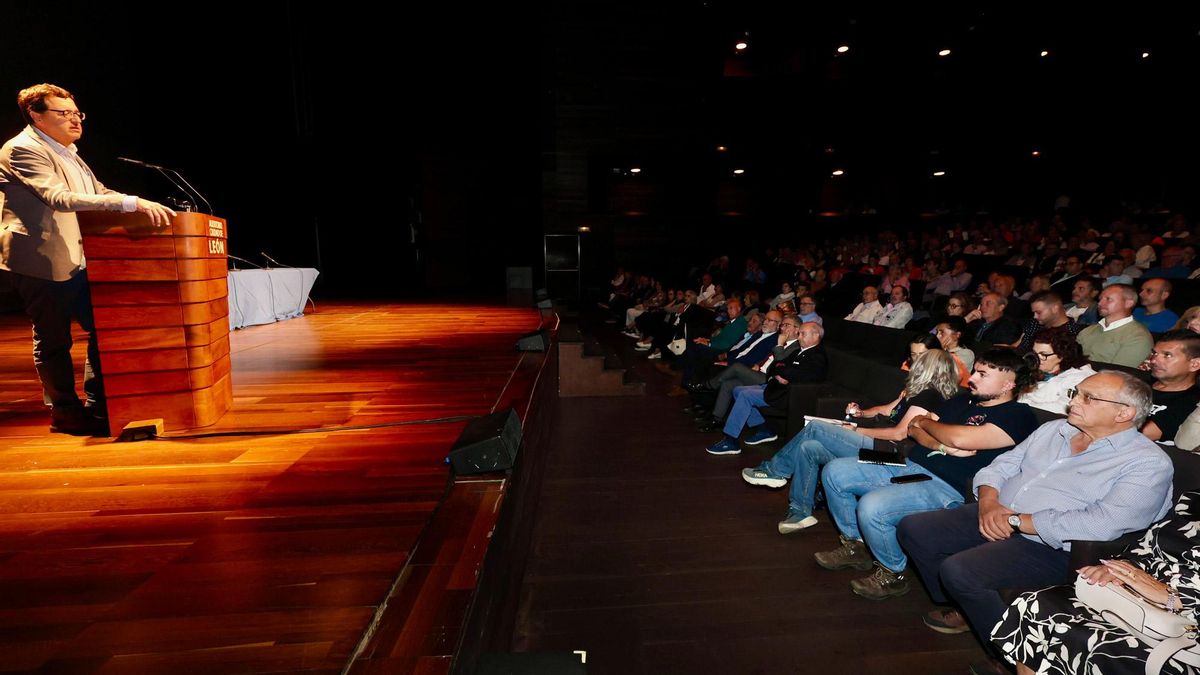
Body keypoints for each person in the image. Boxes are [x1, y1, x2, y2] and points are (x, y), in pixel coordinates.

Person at [896, 372, 1172, 671]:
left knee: (960, 571)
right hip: (998, 510)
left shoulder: (1147, 463)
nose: (1073, 403)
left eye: (1087, 397)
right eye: (1075, 393)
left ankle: (1017, 656)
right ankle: (966, 604)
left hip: (1059, 546)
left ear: (1124, 413)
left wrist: (1017, 521)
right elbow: (1000, 466)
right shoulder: (1055, 430)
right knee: (915, 529)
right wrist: (988, 502)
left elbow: (1103, 524)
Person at [0, 83, 175, 435]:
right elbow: (60, 198)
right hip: (39, 258)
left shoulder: (69, 152)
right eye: (63, 113)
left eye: (76, 113)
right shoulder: (21, 149)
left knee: (104, 327)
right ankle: (64, 410)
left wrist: (138, 202)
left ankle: (98, 405)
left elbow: (98, 193)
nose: (75, 120)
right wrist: (130, 205)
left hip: (78, 256)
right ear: (36, 115)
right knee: (53, 339)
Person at [813, 350, 1040, 600]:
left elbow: (959, 437)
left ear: (1009, 383)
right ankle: (856, 545)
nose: (972, 378)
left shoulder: (1019, 415)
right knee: (836, 471)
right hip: (906, 462)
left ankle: (893, 573)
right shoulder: (961, 401)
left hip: (945, 485)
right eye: (974, 370)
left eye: (982, 374)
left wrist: (929, 425)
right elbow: (913, 427)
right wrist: (938, 444)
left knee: (873, 506)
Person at [742, 349, 960, 532]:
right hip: (877, 444)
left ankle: (776, 470)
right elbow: (885, 409)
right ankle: (800, 512)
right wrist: (861, 413)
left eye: (918, 362)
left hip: (888, 454)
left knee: (817, 428)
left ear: (928, 368)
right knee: (809, 447)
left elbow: (899, 434)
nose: (913, 364)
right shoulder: (913, 392)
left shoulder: (929, 396)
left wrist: (858, 431)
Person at [992, 490, 1200, 675]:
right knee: (1037, 603)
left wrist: (1173, 597)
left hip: (1186, 624)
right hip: (1138, 598)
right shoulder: (1191, 511)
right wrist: (1120, 568)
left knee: (1099, 645)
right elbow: (1144, 547)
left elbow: (1174, 601)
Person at [1018, 329, 1095, 414]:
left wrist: (1021, 403)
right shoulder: (1034, 370)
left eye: (1043, 354)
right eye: (1034, 353)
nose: (1036, 358)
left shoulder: (1081, 378)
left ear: (1061, 355)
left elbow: (1063, 408)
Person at [1076, 284, 1154, 368]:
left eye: (1108, 299)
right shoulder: (1088, 330)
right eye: (1100, 299)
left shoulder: (1138, 336)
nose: (1100, 303)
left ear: (1128, 303)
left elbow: (1119, 374)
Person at [933, 317, 974, 386]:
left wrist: (939, 349)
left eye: (942, 332)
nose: (937, 336)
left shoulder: (966, 353)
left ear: (957, 335)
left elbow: (945, 371)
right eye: (937, 332)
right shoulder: (939, 349)